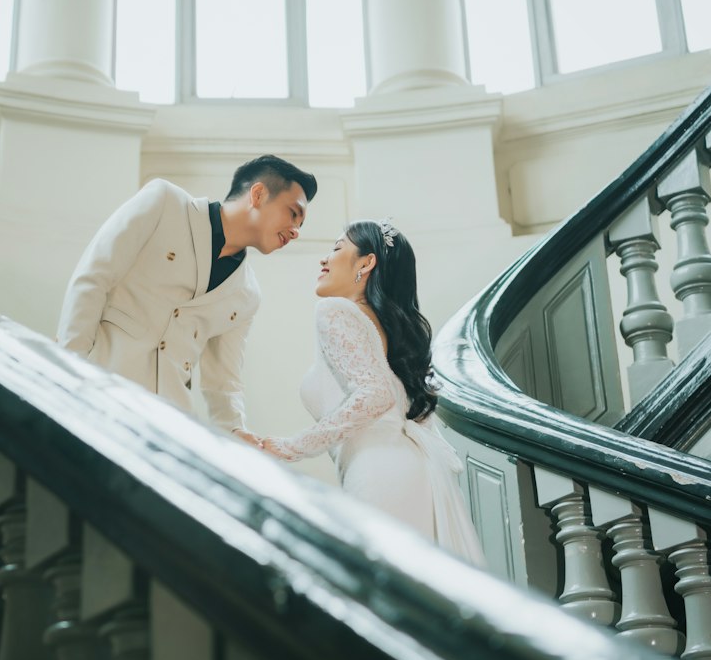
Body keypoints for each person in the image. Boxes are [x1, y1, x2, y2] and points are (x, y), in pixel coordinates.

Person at [247, 219, 484, 562]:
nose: (324, 259)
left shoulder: (334, 311)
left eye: (336, 247)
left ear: (366, 262)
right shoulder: (385, 329)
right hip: (413, 471)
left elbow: (375, 393)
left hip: (379, 473)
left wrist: (291, 447)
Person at [57, 155, 318, 432]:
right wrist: (69, 368)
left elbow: (223, 381)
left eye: (300, 225)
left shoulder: (248, 295)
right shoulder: (164, 202)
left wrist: (236, 434)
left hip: (170, 424)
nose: (295, 232)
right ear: (258, 194)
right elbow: (93, 278)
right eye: (293, 213)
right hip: (100, 387)